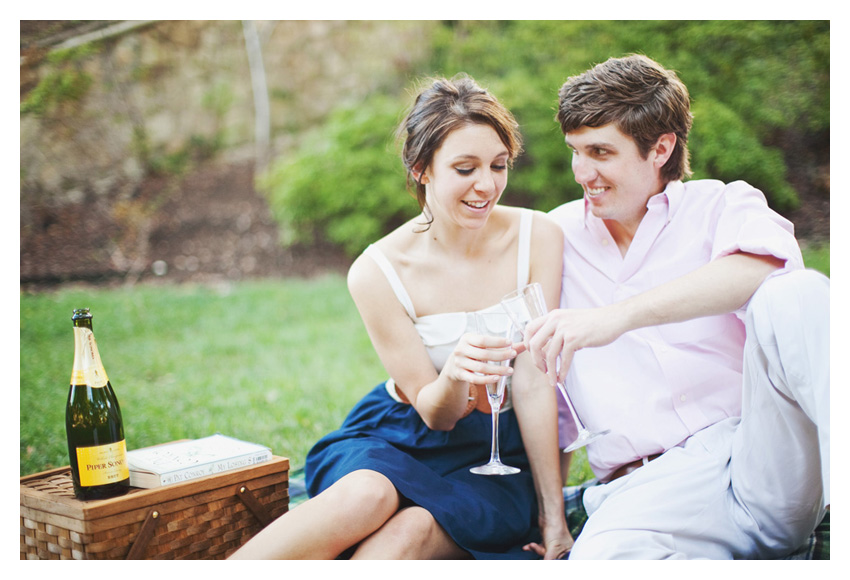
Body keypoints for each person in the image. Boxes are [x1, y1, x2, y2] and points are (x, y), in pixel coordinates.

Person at [230, 74, 572, 560]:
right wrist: (453, 373)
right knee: (367, 497)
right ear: (421, 169)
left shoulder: (539, 236)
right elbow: (435, 412)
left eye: (498, 165)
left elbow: (538, 383)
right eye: (465, 168)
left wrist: (553, 517)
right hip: (404, 430)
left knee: (408, 532)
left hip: (498, 455)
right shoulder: (376, 271)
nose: (487, 185)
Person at [521, 54, 829, 559]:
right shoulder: (551, 238)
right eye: (575, 151)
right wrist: (554, 520)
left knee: (800, 293)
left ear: (660, 148)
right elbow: (531, 376)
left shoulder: (720, 204)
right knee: (599, 563)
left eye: (600, 151)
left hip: (762, 452)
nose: (582, 172)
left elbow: (767, 271)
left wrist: (614, 318)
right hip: (650, 490)